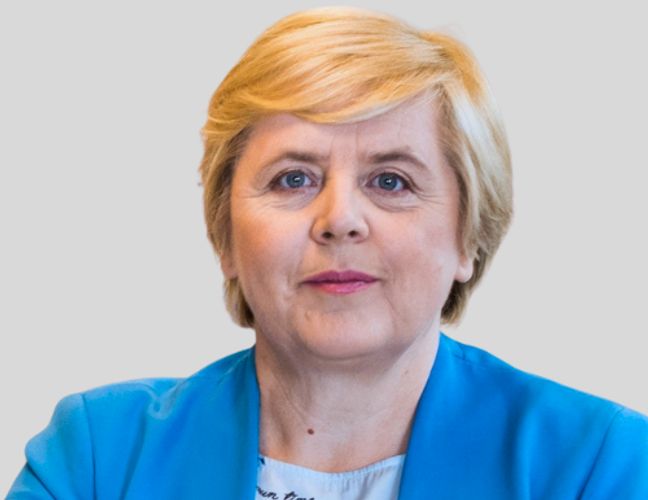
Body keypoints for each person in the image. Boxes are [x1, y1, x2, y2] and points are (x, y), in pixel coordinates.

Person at [8, 7, 648, 499]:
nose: (339, 219)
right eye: (293, 178)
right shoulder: (96, 458)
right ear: (225, 235)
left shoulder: (598, 465)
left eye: (390, 181)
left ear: (468, 236)